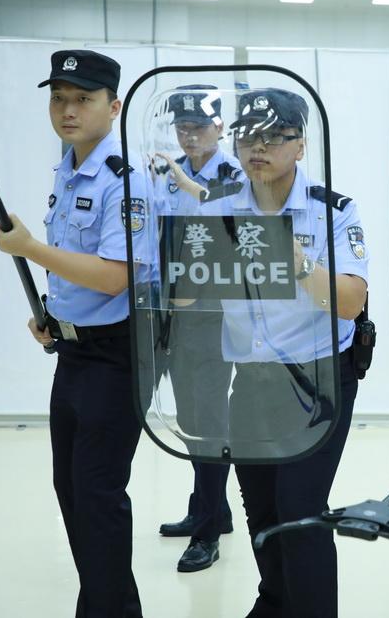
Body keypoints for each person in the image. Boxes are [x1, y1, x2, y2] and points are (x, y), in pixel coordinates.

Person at [0, 49, 152, 617]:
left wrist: (30, 248)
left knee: (97, 495)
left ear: (114, 106)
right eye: (59, 99)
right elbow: (76, 272)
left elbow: (114, 276)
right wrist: (53, 316)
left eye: (83, 99)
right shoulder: (69, 168)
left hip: (118, 355)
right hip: (75, 353)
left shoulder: (124, 181)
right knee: (72, 491)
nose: (67, 110)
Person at [205, 88, 368, 617]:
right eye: (248, 136)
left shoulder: (332, 212)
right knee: (261, 510)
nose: (259, 148)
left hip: (317, 381)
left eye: (275, 137)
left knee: (301, 511)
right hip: (252, 381)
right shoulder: (216, 211)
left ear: (300, 146)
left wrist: (294, 259)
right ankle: (275, 602)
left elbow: (350, 302)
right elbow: (183, 297)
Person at [153, 85, 243, 572]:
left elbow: (230, 229)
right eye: (182, 127)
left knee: (209, 419)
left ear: (220, 128)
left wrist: (183, 182)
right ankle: (210, 508)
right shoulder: (168, 173)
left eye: (199, 127)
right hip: (172, 310)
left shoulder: (234, 174)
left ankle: (207, 532)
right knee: (189, 415)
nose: (189, 136)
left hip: (214, 313)